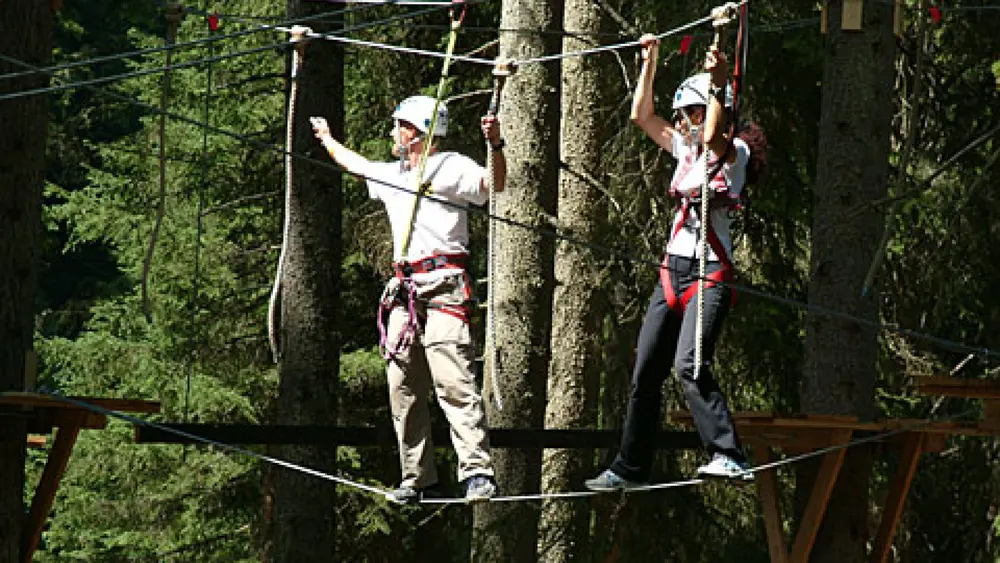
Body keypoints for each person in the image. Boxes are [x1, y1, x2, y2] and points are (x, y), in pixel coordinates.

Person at [310, 94, 506, 503]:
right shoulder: (394, 175)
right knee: (401, 384)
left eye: (399, 126)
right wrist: (326, 138)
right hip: (405, 291)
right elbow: (356, 164)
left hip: (444, 286)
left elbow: (492, 185)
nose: (392, 133)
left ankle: (476, 472)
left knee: (453, 378)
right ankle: (417, 477)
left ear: (418, 133)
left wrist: (496, 144)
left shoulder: (450, 167)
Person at [586, 35, 752, 491]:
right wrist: (650, 63)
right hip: (672, 272)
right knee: (645, 373)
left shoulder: (733, 155)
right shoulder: (685, 152)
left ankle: (728, 453)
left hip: (708, 273)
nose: (684, 124)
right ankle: (629, 466)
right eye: (682, 116)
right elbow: (643, 116)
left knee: (690, 365)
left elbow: (718, 137)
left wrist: (718, 86)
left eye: (692, 114)